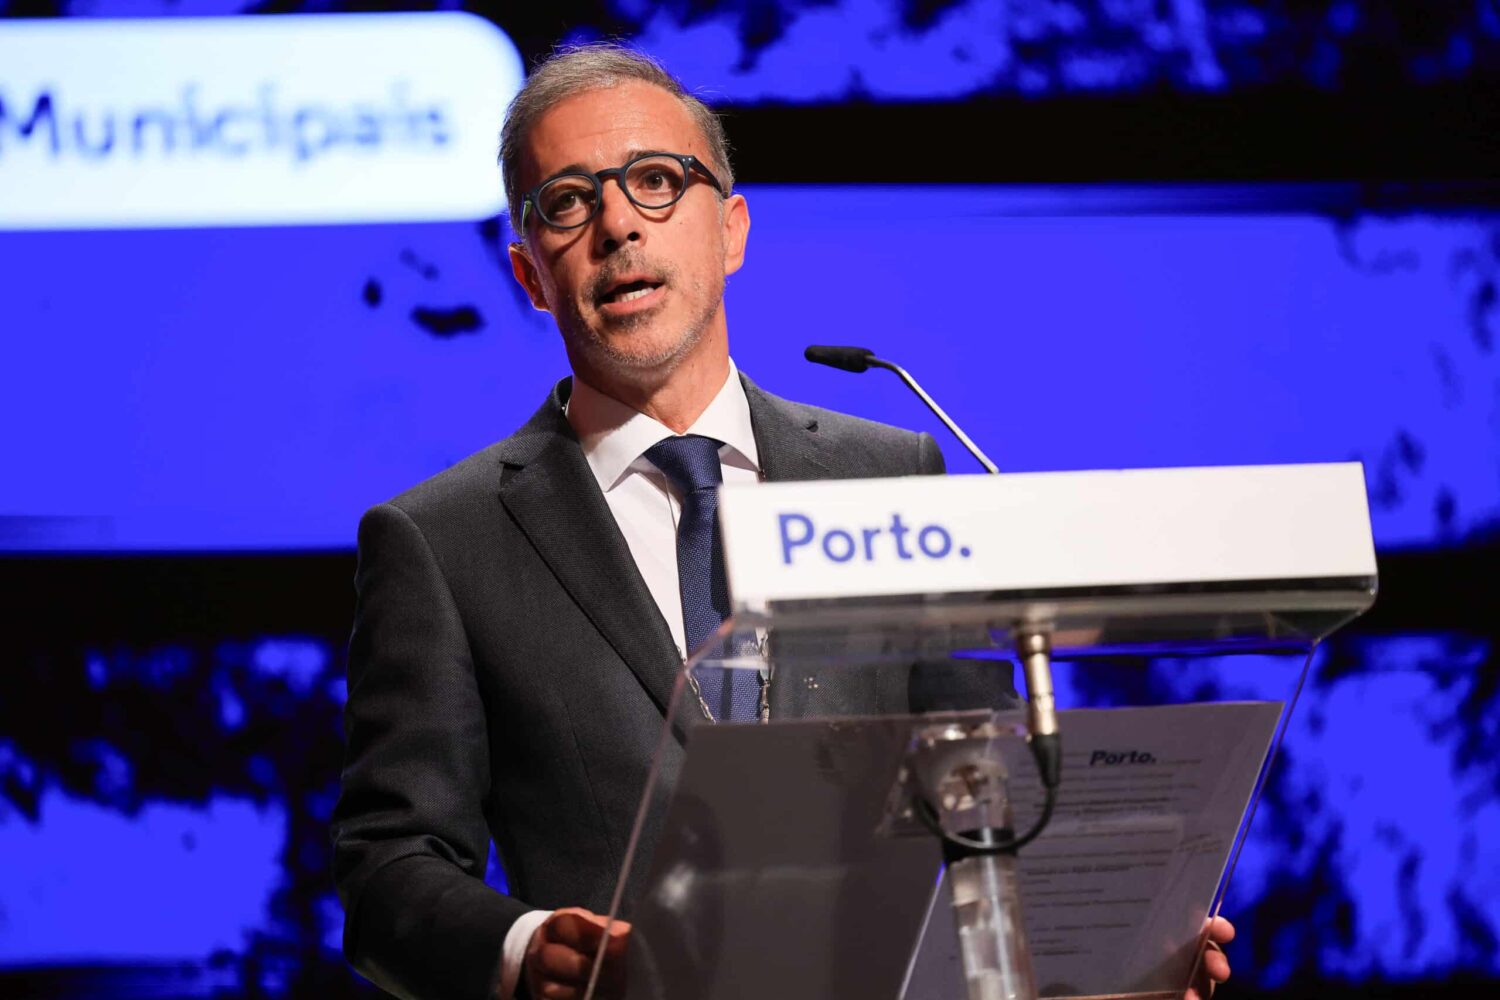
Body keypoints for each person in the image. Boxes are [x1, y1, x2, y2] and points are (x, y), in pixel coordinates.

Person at [331, 43, 1234, 1000]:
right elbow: (389, 868)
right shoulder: (443, 540)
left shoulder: (892, 476)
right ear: (529, 273)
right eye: (568, 201)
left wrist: (1103, 954)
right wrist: (525, 946)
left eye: (655, 180)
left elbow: (988, 796)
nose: (618, 227)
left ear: (731, 230)